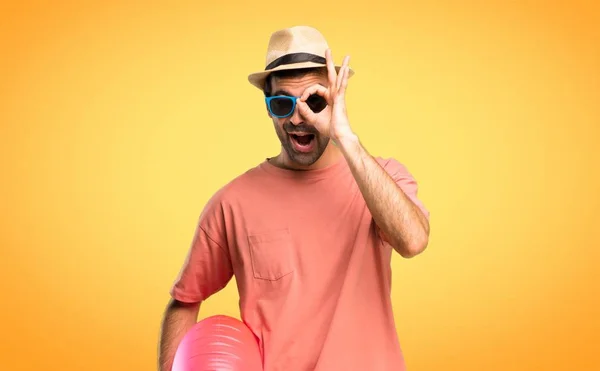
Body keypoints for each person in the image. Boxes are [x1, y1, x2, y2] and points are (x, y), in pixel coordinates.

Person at [158, 25, 430, 371]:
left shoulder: (382, 178)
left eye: (315, 101)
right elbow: (184, 302)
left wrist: (344, 136)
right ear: (269, 107)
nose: (299, 117)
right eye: (283, 103)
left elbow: (413, 240)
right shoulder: (232, 203)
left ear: (335, 99)